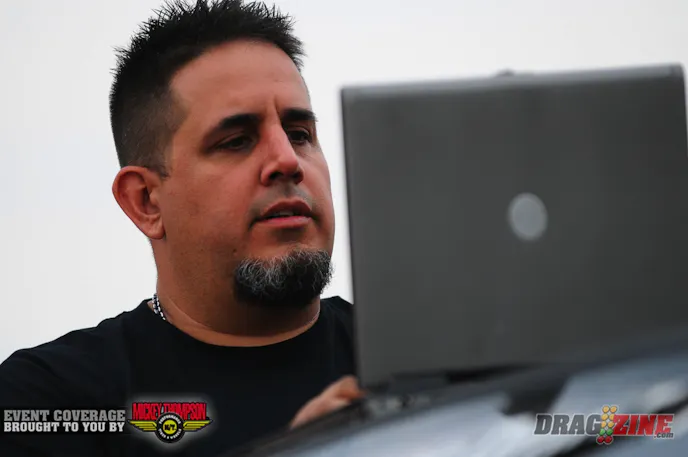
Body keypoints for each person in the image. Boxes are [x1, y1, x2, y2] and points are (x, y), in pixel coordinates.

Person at [0, 0, 363, 455]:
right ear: (146, 201)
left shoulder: (426, 363)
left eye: (299, 134)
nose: (287, 161)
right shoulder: (48, 402)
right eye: (236, 141)